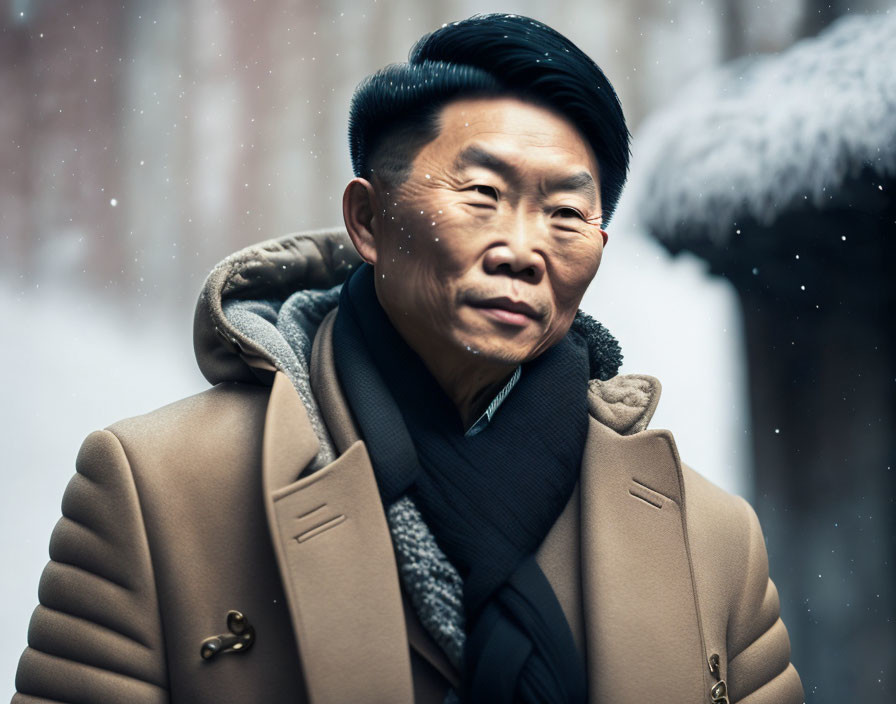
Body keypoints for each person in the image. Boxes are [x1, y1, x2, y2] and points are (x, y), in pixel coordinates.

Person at [12, 13, 804, 704]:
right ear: (368, 219)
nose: (524, 250)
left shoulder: (713, 543)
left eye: (566, 213)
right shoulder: (159, 493)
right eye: (482, 196)